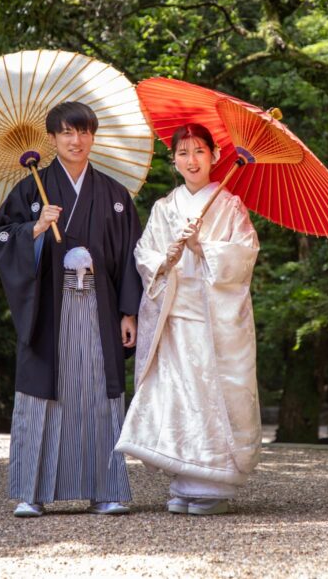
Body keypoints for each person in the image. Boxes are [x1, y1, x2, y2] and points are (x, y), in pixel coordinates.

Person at [0, 101, 142, 518]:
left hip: (100, 307)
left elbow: (132, 255)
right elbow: (2, 237)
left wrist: (129, 313)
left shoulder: (114, 195)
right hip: (49, 310)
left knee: (98, 393)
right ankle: (31, 492)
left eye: (85, 132)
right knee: (43, 396)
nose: (77, 141)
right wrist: (34, 229)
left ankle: (105, 490)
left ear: (93, 136)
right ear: (53, 138)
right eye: (68, 133)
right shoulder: (30, 190)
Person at [115, 123, 262, 515]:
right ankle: (184, 479)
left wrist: (204, 247)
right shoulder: (165, 207)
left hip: (214, 319)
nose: (191, 160)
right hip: (174, 316)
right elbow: (144, 254)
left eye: (199, 151)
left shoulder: (230, 206)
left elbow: (244, 256)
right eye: (183, 153)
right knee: (177, 397)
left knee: (211, 395)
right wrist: (167, 257)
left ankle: (212, 484)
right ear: (174, 160)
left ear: (215, 157)